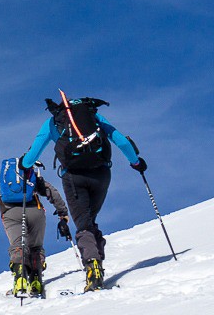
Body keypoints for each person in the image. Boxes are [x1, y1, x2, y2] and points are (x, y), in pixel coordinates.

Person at [17, 95, 145, 292]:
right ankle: (97, 262)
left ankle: (93, 268)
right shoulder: (94, 118)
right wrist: (136, 162)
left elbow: (33, 154)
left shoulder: (53, 123)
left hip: (74, 178)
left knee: (83, 225)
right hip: (101, 174)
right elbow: (122, 141)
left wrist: (23, 164)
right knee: (89, 220)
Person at [0, 157, 70, 297]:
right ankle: (36, 279)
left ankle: (20, 280)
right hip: (36, 212)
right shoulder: (30, 175)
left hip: (11, 213)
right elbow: (51, 191)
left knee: (18, 246)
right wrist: (62, 213)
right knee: (36, 247)